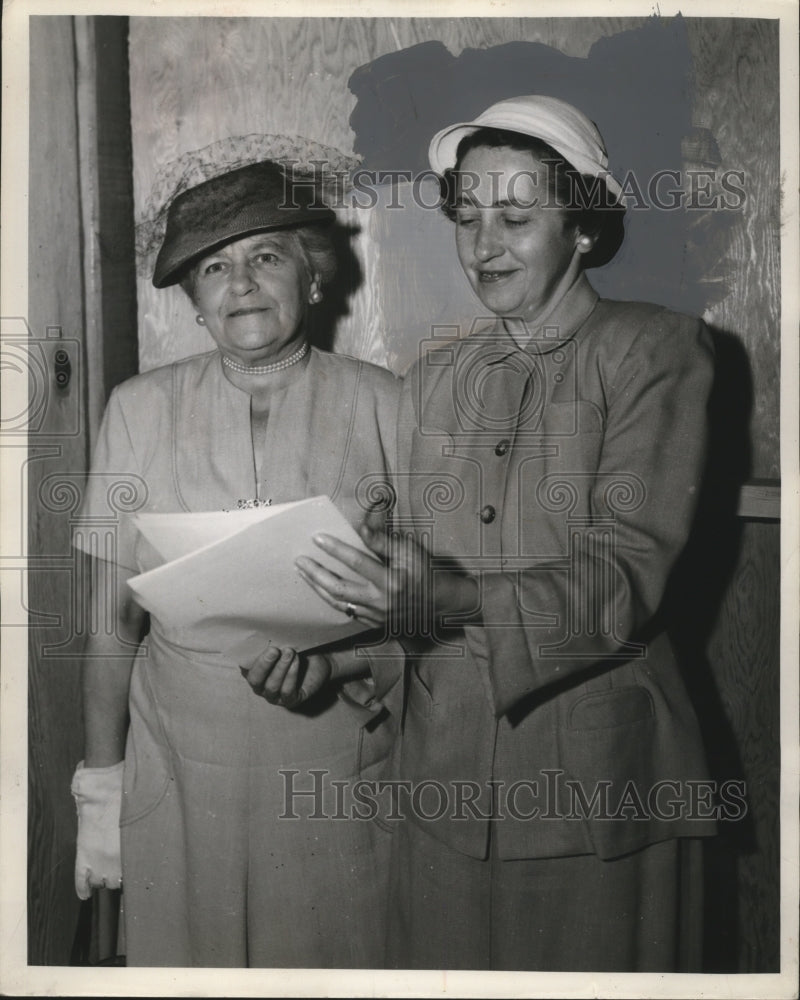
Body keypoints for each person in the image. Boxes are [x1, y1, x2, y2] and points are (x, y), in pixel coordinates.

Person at [296, 95, 717, 971]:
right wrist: (338, 658)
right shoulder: (434, 378)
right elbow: (411, 601)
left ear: (585, 230)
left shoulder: (654, 351)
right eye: (469, 216)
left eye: (518, 217)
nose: (485, 245)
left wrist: (442, 594)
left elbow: (622, 581)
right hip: (439, 795)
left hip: (595, 799)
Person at [70, 159, 401, 967]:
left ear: (314, 276)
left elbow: (432, 615)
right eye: (216, 266)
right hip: (179, 774)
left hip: (334, 771)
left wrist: (348, 664)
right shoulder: (137, 409)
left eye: (267, 256)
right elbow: (112, 626)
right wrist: (100, 789)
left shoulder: (389, 403)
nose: (242, 283)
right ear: (192, 298)